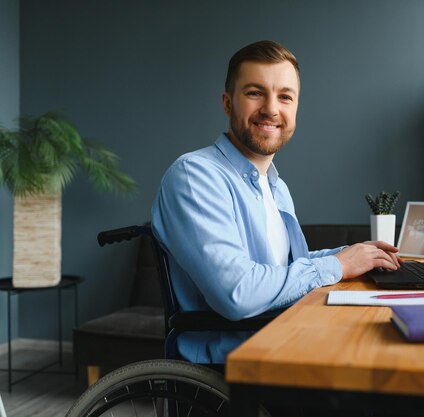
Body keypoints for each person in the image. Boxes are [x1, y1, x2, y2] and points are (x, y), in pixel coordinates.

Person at [151, 40, 401, 365]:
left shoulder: (276, 186)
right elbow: (238, 293)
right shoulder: (194, 176)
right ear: (228, 103)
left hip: (285, 339)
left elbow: (281, 270)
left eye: (285, 96)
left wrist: (355, 255)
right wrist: (336, 266)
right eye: (255, 92)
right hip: (237, 363)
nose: (271, 108)